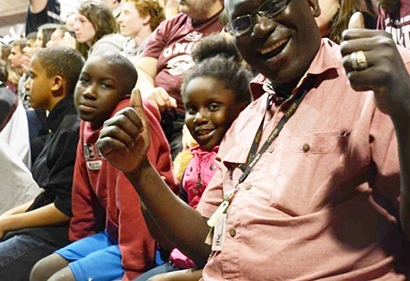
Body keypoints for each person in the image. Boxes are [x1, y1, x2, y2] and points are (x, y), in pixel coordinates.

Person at [97, 0, 410, 280]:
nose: (262, 28)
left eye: (273, 5)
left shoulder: (380, 79)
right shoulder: (248, 118)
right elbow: (206, 243)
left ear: (311, 5)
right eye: (243, 22)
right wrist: (140, 171)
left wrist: (408, 111)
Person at [31, 52, 177, 281]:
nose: (89, 92)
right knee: (41, 271)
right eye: (84, 80)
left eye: (105, 85)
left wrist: (133, 271)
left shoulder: (130, 122)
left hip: (151, 241)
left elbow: (134, 205)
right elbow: (83, 195)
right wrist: (80, 247)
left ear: (124, 95)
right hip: (114, 234)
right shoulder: (88, 120)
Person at [135, 35, 252, 281]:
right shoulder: (192, 159)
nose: (198, 118)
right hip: (183, 257)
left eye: (212, 106)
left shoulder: (242, 163)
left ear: (243, 108)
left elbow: (235, 251)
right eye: (191, 109)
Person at [136, 0, 231, 159]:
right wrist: (149, 91)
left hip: (195, 121)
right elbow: (142, 69)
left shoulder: (230, 25)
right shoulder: (171, 25)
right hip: (154, 113)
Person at [0, 47, 84, 280]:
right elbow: (46, 195)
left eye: (33, 76)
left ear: (56, 83)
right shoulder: (58, 125)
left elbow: (65, 208)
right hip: (40, 231)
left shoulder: (72, 129)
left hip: (55, 236)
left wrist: (8, 222)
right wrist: (4, 220)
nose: (26, 85)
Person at [119, 0, 166, 64]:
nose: (119, 19)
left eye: (126, 13)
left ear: (145, 18)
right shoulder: (124, 51)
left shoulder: (159, 53)